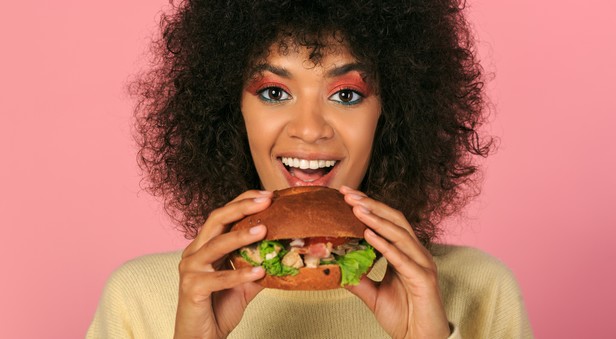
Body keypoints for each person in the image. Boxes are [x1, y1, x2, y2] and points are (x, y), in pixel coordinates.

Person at [88, 0, 532, 338]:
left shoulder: (478, 289)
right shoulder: (140, 298)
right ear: (229, 109)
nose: (309, 129)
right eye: (275, 92)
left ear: (392, 113)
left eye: (347, 95)